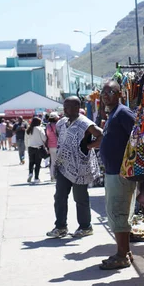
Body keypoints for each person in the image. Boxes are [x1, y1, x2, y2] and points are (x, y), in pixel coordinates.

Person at [46, 96, 103, 239]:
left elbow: (102, 135)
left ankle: (85, 227)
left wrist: (89, 146)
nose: (65, 110)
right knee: (59, 197)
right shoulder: (61, 123)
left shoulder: (85, 123)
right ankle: (60, 227)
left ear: (77, 108)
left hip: (80, 168)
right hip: (64, 166)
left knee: (80, 198)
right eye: (64, 107)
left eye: (69, 107)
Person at [98, 80, 137, 270]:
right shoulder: (112, 113)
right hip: (113, 171)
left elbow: (137, 138)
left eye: (110, 92)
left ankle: (122, 256)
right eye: (103, 92)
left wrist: (129, 166)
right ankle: (125, 251)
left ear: (120, 93)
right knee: (116, 213)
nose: (105, 95)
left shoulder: (123, 112)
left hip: (121, 173)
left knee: (118, 211)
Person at [25, 117, 47, 183]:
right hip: (38, 148)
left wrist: (27, 148)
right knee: (38, 163)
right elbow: (44, 138)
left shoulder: (28, 129)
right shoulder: (40, 129)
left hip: (30, 147)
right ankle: (36, 178)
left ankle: (30, 173)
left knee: (31, 162)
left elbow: (25, 140)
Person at [46, 112, 59, 182]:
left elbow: (47, 135)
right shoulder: (57, 125)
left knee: (53, 162)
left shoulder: (48, 126)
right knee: (60, 162)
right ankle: (59, 176)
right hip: (58, 145)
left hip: (50, 146)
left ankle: (52, 176)